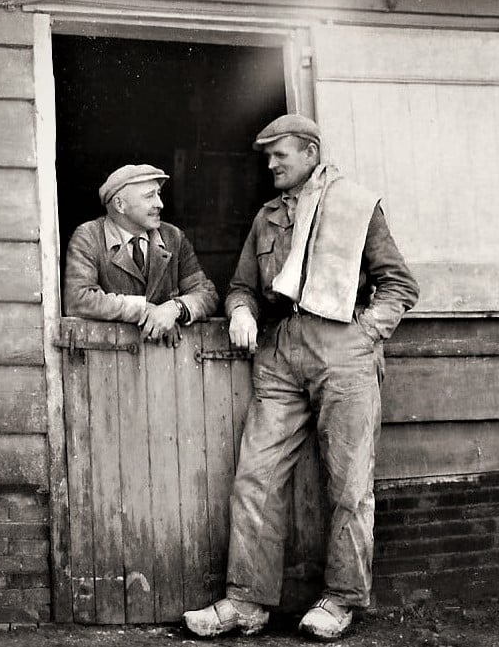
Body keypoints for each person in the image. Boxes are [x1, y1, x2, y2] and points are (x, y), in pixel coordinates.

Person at [183, 115, 419, 641]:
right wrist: (241, 311)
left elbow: (399, 284)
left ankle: (341, 600)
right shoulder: (266, 218)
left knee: (349, 483)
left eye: (279, 156)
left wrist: (365, 333)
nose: (270, 166)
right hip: (282, 353)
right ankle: (246, 602)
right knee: (255, 477)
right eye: (267, 157)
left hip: (344, 350)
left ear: (310, 152)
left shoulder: (357, 205)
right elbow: (242, 284)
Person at [64, 164, 218, 344]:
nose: (160, 204)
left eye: (158, 194)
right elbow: (77, 299)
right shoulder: (88, 237)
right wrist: (143, 309)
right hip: (111, 359)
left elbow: (207, 294)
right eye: (149, 196)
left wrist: (174, 308)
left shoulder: (173, 237)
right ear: (120, 204)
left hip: (168, 359)